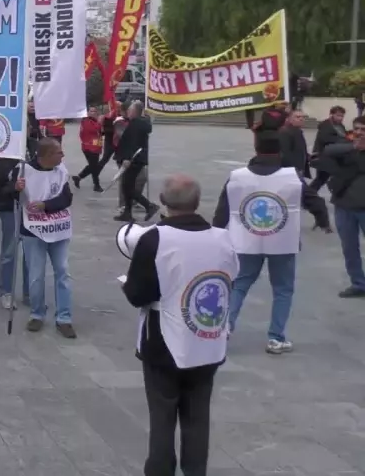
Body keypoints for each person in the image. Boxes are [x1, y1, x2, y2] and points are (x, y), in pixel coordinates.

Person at [122, 174, 238, 476]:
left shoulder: (155, 238)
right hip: (207, 340)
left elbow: (138, 295)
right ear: (197, 202)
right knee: (198, 417)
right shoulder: (223, 237)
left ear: (162, 202)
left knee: (162, 417)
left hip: (165, 341)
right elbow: (228, 280)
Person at [213, 131, 330, 354]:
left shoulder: (237, 176)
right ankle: (276, 338)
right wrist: (322, 220)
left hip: (246, 240)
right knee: (283, 289)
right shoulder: (292, 176)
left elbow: (223, 209)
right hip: (282, 242)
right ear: (280, 151)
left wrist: (217, 233)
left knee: (239, 284)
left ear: (256, 148)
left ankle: (226, 326)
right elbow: (315, 200)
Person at [11, 138, 76, 338]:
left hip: (58, 228)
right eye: (59, 153)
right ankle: (37, 313)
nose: (63, 156)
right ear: (46, 155)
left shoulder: (61, 171)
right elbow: (6, 196)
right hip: (33, 231)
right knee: (36, 276)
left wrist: (46, 205)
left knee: (63, 272)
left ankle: (64, 317)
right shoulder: (22, 171)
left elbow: (67, 198)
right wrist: (16, 190)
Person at [317, 126, 365, 298]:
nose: (359, 132)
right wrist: (354, 147)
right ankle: (358, 283)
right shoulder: (347, 146)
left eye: (364, 129)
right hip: (344, 206)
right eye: (357, 128)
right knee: (349, 248)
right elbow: (328, 150)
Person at [0, 155, 29, 309]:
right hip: (10, 208)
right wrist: (14, 187)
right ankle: (6, 292)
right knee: (10, 251)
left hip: (32, 209)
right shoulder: (3, 153)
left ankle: (30, 292)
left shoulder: (34, 146)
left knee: (31, 251)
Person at [115, 101, 160, 223]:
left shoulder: (137, 123)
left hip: (134, 159)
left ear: (135, 111)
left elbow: (133, 143)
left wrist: (127, 158)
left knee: (128, 187)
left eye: (130, 110)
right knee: (127, 186)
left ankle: (149, 206)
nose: (128, 112)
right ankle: (127, 212)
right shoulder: (139, 122)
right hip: (137, 158)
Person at [310, 105, 348, 193]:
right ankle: (308, 195)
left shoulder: (340, 126)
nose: (340, 118)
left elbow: (344, 135)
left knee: (323, 178)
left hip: (335, 157)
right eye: (338, 115)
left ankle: (308, 194)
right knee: (321, 179)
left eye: (342, 116)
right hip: (324, 156)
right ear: (331, 114)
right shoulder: (325, 125)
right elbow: (325, 138)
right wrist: (343, 140)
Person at [72, 106, 106, 192]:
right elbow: (94, 129)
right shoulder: (87, 121)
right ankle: (96, 185)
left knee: (92, 166)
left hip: (95, 146)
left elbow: (100, 132)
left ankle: (79, 177)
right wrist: (100, 123)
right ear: (88, 112)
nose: (93, 113)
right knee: (94, 166)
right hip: (89, 147)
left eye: (95, 111)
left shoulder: (94, 121)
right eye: (91, 111)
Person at [278, 108, 310, 178]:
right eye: (297, 117)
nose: (301, 119)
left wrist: (308, 156)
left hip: (298, 169)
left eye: (303, 117)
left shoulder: (297, 131)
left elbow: (299, 150)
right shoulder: (285, 132)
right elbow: (285, 153)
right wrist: (293, 170)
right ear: (289, 119)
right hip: (291, 171)